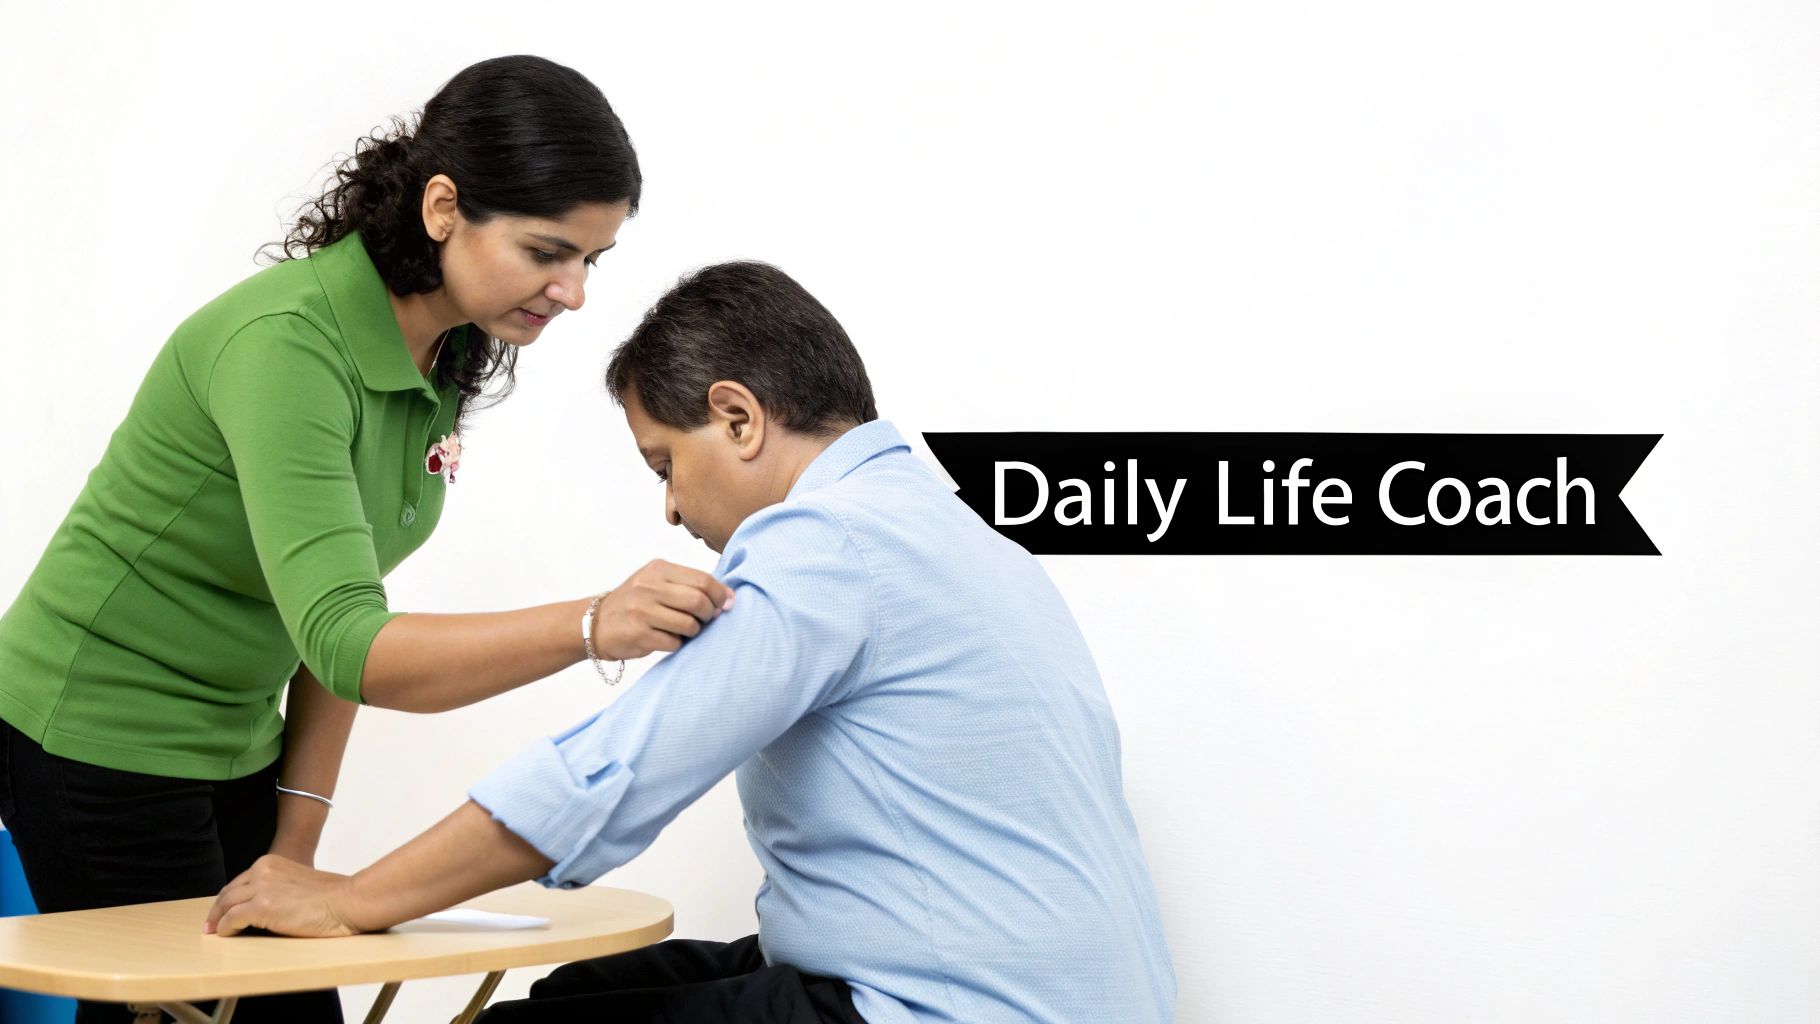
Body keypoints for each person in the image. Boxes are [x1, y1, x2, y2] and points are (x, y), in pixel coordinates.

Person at [205, 261, 1176, 1023]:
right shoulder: (946, 527)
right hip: (1032, 990)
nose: (669, 506)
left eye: (666, 463)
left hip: (943, 1007)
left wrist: (355, 899)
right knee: (584, 998)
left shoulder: (824, 544)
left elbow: (613, 772)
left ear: (739, 417)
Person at [0, 55, 732, 1024]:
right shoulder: (287, 346)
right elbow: (352, 640)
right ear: (441, 208)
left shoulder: (447, 347)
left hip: (234, 745)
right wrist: (593, 622)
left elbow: (343, 615)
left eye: (590, 260)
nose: (573, 292)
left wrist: (294, 844)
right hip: (95, 736)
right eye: (547, 251)